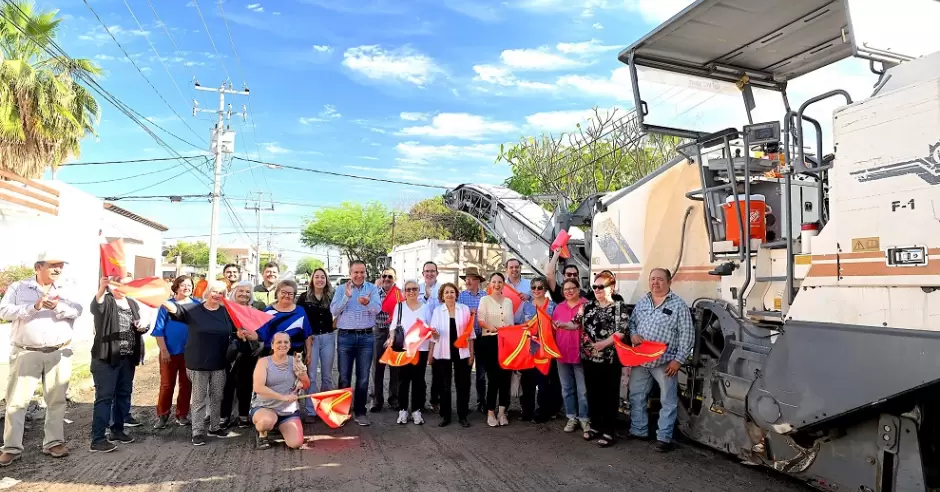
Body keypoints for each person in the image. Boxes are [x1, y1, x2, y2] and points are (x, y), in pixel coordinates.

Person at [0, 251, 82, 466]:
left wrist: (58, 307)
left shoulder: (67, 288)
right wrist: (34, 307)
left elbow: (77, 310)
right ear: (38, 267)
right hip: (26, 352)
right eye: (53, 265)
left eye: (61, 265)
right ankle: (11, 447)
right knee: (16, 402)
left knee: (56, 400)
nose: (58, 269)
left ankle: (54, 442)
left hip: (59, 352)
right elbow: (4, 311)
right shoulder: (19, 287)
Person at [162, 281, 257, 446]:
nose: (217, 295)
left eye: (221, 293)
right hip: (198, 362)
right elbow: (175, 309)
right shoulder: (194, 309)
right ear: (207, 292)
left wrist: (242, 335)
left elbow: (236, 331)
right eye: (214, 291)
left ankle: (215, 427)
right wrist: (159, 300)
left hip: (220, 361)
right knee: (199, 399)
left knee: (217, 397)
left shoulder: (226, 312)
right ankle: (197, 431)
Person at [626, 268, 694, 453]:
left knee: (668, 401)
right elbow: (632, 323)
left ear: (669, 282)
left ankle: (664, 438)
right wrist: (633, 335)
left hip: (665, 362)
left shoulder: (678, 305)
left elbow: (687, 335)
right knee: (637, 395)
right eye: (652, 279)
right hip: (642, 360)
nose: (655, 282)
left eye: (660, 279)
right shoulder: (643, 302)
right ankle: (638, 430)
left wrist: (678, 360)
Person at [88, 276, 148, 452]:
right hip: (106, 358)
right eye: (120, 283)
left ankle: (118, 430)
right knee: (105, 397)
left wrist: (142, 327)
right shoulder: (106, 300)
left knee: (123, 394)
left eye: (128, 283)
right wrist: (102, 287)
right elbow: (95, 306)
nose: (124, 286)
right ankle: (98, 439)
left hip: (127, 358)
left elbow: (140, 325)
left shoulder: (132, 303)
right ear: (112, 285)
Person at [574, 271, 629, 447]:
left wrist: (604, 344)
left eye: (601, 286)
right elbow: (575, 323)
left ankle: (609, 431)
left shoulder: (619, 307)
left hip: (610, 359)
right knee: (593, 393)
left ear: (611, 288)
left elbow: (621, 331)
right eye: (594, 286)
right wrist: (559, 324)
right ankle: (596, 426)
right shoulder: (587, 306)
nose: (597, 289)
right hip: (589, 358)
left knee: (609, 395)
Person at [330, 260, 381, 426]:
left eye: (362, 272)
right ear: (350, 273)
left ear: (366, 272)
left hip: (366, 337)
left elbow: (378, 309)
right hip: (345, 337)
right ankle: (342, 412)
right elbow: (333, 310)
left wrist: (367, 303)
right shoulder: (341, 289)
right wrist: (346, 297)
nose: (359, 275)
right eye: (356, 272)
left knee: (363, 377)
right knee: (344, 376)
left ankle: (360, 411)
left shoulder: (372, 288)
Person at [152, 275, 197, 429]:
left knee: (186, 384)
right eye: (183, 285)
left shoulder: (197, 305)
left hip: (190, 353)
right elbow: (158, 330)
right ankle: (163, 415)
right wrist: (164, 350)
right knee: (166, 385)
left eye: (189, 285)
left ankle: (182, 414)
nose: (186, 288)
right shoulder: (167, 305)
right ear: (176, 287)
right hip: (169, 352)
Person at [251, 332, 310, 450]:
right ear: (272, 345)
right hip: (265, 407)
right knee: (266, 422)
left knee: (296, 443)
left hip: (288, 410)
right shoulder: (263, 362)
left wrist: (302, 376)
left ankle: (280, 425)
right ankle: (262, 433)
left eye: (286, 342)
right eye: (279, 342)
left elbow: (306, 385)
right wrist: (283, 397)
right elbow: (258, 388)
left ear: (290, 345)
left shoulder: (295, 361)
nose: (283, 345)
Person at [428, 283, 474, 428]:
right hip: (442, 352)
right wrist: (431, 353)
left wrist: (471, 354)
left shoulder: (464, 309)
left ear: (456, 294)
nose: (449, 294)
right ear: (442, 296)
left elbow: (470, 333)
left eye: (452, 292)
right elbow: (433, 335)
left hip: (462, 351)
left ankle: (463, 415)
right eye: (446, 292)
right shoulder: (437, 311)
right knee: (444, 385)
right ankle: (445, 415)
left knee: (463, 385)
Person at [386, 280, 430, 425]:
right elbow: (393, 327)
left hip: (420, 349)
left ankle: (416, 410)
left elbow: (430, 328)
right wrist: (391, 339)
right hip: (403, 349)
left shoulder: (426, 307)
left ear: (419, 291)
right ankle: (403, 410)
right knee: (402, 380)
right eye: (408, 289)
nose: (411, 292)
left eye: (414, 289)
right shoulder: (399, 306)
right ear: (404, 292)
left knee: (418, 380)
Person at [220, 282, 262, 429]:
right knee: (227, 384)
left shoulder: (253, 311)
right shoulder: (225, 310)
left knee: (246, 384)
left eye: (247, 292)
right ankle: (224, 415)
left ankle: (243, 414)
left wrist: (254, 336)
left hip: (248, 351)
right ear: (234, 293)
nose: (244, 294)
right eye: (241, 291)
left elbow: (260, 333)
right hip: (228, 351)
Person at [515, 277, 557, 423]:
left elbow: (556, 327)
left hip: (545, 350)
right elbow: (520, 325)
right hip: (528, 349)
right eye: (534, 287)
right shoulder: (526, 305)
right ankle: (527, 411)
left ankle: (542, 412)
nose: (537, 290)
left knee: (543, 383)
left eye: (540, 287)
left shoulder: (552, 306)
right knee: (527, 382)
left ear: (545, 289)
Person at [477, 272, 515, 427]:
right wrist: (492, 327)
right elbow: (480, 320)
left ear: (503, 284)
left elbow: (511, 323)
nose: (497, 285)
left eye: (500, 282)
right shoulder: (484, 300)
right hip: (490, 341)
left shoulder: (508, 302)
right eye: (494, 282)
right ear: (490, 284)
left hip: (507, 341)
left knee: (506, 377)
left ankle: (502, 412)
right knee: (493, 378)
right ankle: (491, 411)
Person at [552, 278, 590, 434]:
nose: (569, 291)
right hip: (562, 353)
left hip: (581, 354)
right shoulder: (558, 307)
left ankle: (584, 418)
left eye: (572, 288)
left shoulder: (587, 305)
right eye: (566, 289)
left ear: (578, 289)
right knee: (567, 388)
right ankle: (571, 417)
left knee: (583, 390)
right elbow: (553, 331)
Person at [298, 268, 336, 419]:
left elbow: (340, 312)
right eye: (317, 277)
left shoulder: (332, 296)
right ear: (312, 280)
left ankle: (326, 407)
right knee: (312, 375)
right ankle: (310, 409)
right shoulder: (304, 298)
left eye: (323, 277)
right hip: (311, 339)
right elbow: (300, 319)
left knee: (327, 375)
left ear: (326, 280)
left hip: (328, 338)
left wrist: (335, 324)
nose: (320, 280)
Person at [457, 267, 487, 414]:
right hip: (467, 338)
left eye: (470, 279)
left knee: (481, 373)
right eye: (466, 279)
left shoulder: (486, 296)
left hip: (482, 338)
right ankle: (465, 404)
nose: (467, 281)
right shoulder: (461, 297)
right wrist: (467, 313)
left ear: (477, 281)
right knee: (465, 373)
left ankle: (481, 402)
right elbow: (457, 316)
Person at [257, 280, 313, 357]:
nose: (287, 295)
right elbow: (260, 334)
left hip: (295, 354)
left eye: (290, 293)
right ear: (277, 293)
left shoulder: (300, 311)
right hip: (272, 353)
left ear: (294, 296)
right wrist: (248, 334)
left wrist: (309, 353)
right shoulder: (268, 311)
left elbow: (307, 334)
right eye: (283, 292)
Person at [371, 267, 399, 412]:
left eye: (390, 276)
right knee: (378, 367)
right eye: (384, 276)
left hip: (395, 333)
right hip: (379, 332)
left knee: (395, 368)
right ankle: (377, 400)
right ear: (381, 277)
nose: (387, 279)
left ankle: (394, 399)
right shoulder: (374, 293)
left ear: (395, 279)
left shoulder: (399, 294)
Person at [418, 261, 441, 413]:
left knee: (438, 371)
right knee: (419, 371)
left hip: (438, 334)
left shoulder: (443, 288)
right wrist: (425, 297)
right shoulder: (417, 288)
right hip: (421, 335)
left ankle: (435, 400)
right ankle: (420, 402)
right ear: (423, 273)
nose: (429, 274)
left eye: (432, 271)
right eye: (427, 271)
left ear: (437, 273)